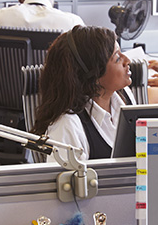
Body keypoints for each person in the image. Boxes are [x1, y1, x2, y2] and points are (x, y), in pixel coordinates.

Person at [33, 26, 134, 160]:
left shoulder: (125, 98)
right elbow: (65, 180)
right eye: (117, 58)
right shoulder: (68, 126)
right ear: (94, 74)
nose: (127, 60)